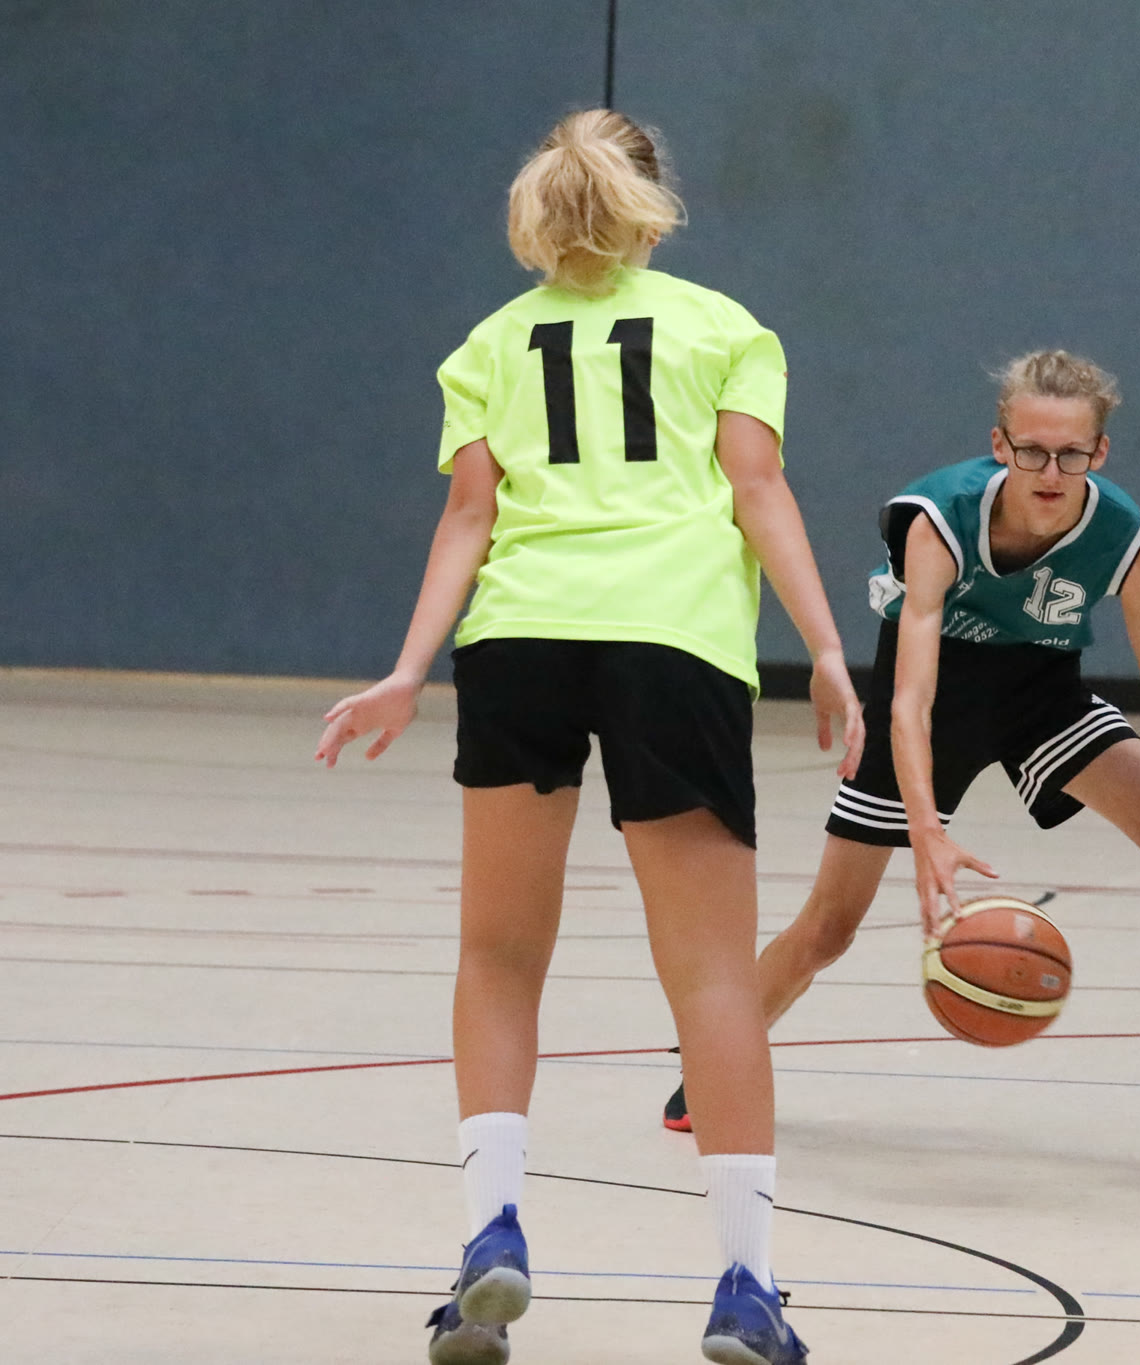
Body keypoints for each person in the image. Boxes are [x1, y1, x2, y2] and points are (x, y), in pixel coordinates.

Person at [317, 110, 860, 1365]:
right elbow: (756, 490)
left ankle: (489, 1239)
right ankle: (745, 1288)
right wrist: (827, 649)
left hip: (519, 642)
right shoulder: (724, 330)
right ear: (654, 204)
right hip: (673, 641)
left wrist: (407, 669)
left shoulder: (489, 345)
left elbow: (468, 518)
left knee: (498, 955)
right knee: (711, 976)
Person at [661, 350, 1140, 1177]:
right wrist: (927, 830)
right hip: (934, 702)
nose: (1051, 472)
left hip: (1041, 692)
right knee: (829, 929)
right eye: (1032, 450)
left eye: (1071, 453)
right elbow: (910, 701)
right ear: (1000, 444)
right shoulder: (941, 517)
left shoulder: (1125, 534)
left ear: (1100, 452)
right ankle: (713, 1064)